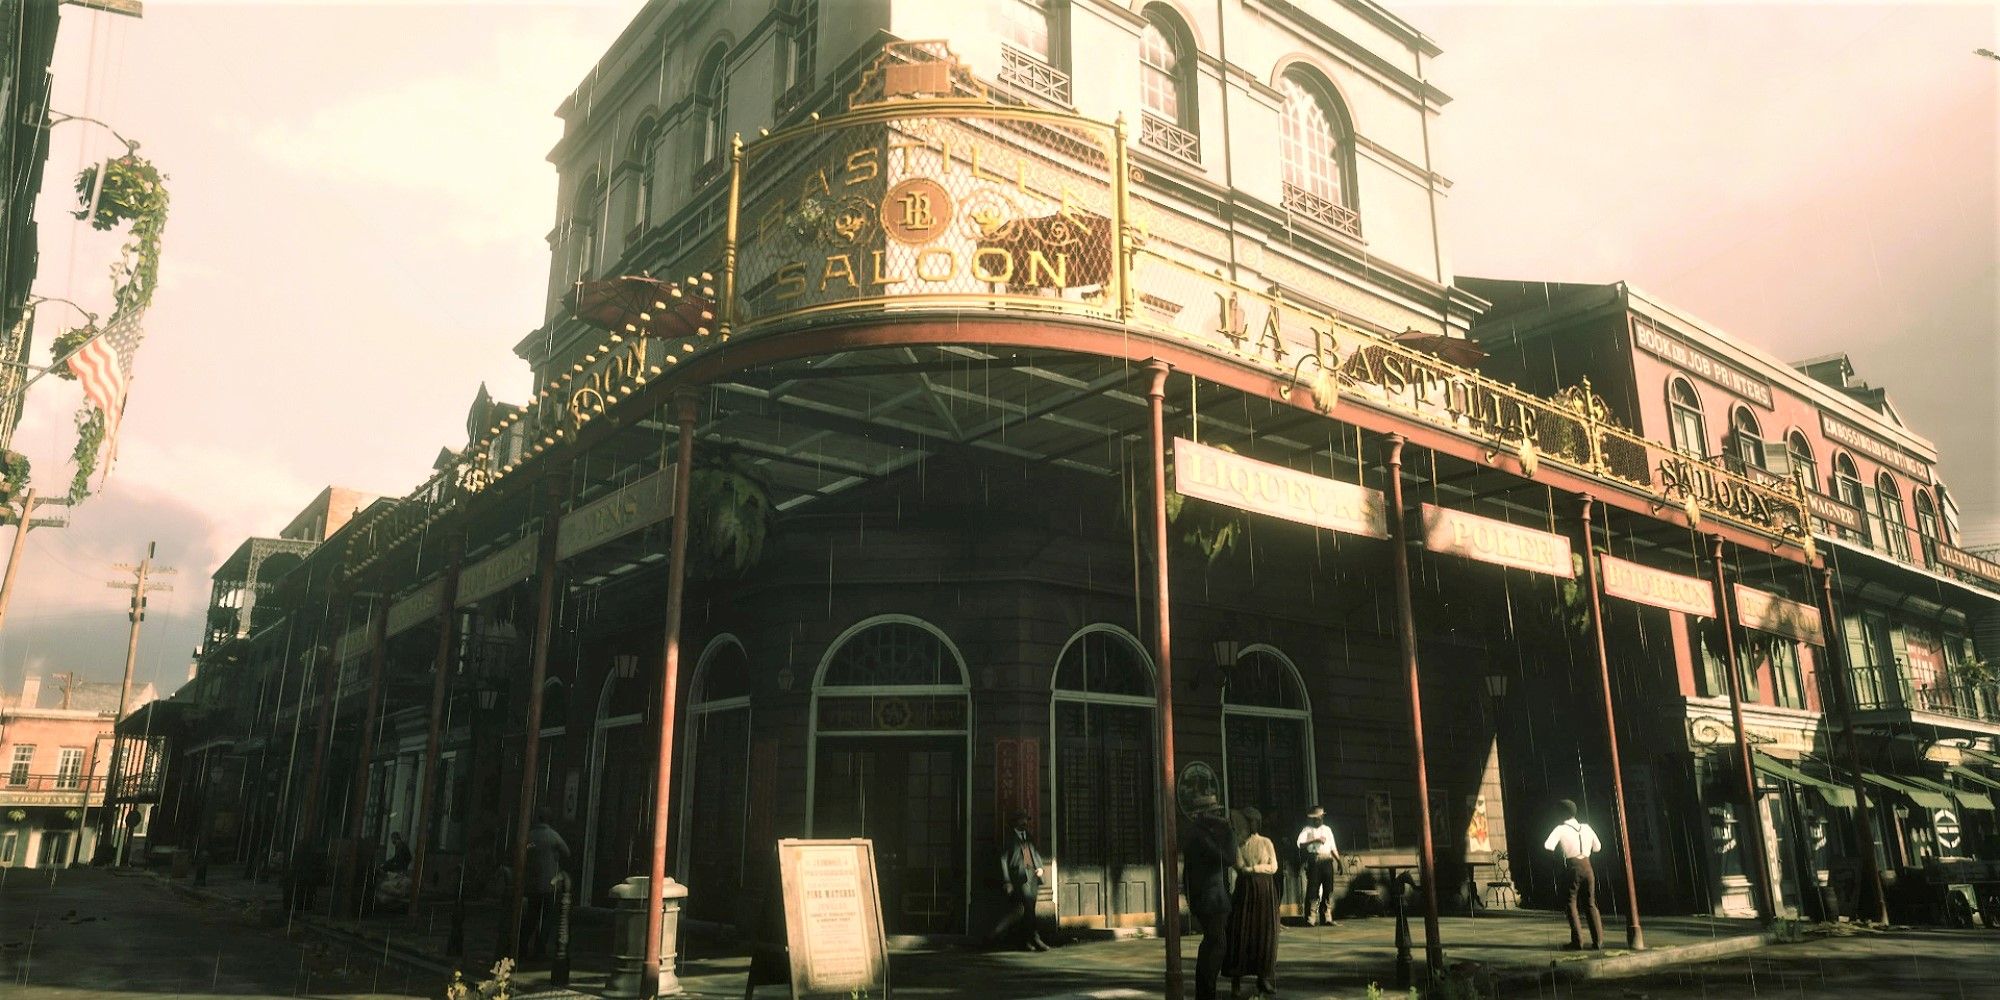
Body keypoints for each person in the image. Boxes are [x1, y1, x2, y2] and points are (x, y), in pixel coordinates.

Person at [1182, 794, 1236, 1000]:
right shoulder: (1200, 836)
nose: (1218, 815)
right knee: (1215, 946)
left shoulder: (1200, 833)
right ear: (1204, 815)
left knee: (1212, 946)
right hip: (1210, 900)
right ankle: (1206, 994)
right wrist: (1229, 828)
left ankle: (1206, 993)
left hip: (1208, 898)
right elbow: (1229, 857)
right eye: (1215, 813)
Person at [1223, 807, 1280, 997]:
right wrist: (1246, 869)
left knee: (1264, 931)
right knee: (1241, 931)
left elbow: (1273, 867)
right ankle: (1236, 981)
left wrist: (1254, 868)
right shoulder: (1238, 845)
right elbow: (1238, 866)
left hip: (1264, 891)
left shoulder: (1266, 842)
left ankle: (1264, 977)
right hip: (1245, 891)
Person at [1542, 798, 1603, 950]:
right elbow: (1598, 847)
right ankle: (1598, 941)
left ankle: (1578, 941)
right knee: (1590, 903)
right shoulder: (1587, 828)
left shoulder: (1560, 829)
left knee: (1571, 903)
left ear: (1562, 813)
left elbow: (1547, 845)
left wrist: (1563, 850)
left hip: (1572, 868)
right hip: (1588, 867)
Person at [990, 810, 1050, 951]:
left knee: (1029, 909)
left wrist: (1040, 868)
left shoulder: (1028, 837)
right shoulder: (1008, 839)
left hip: (1033, 876)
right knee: (1028, 907)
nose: (1024, 823)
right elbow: (1003, 860)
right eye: (1021, 820)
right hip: (1018, 878)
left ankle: (1025, 941)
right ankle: (1034, 938)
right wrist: (1007, 881)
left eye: (1026, 820)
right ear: (1015, 822)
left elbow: (1035, 853)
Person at [521, 811, 571, 960]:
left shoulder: (531, 836)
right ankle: (540, 948)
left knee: (531, 915)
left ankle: (522, 945)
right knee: (547, 917)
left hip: (532, 883)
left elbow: (525, 849)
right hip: (549, 883)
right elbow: (567, 852)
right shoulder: (553, 835)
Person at [1295, 806, 1342, 925]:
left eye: (1319, 818)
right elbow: (1300, 844)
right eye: (1315, 819)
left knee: (1328, 889)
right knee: (1313, 889)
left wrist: (1339, 862)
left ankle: (1327, 917)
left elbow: (1333, 847)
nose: (1317, 820)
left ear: (1322, 817)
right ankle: (1311, 917)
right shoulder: (1307, 829)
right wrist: (1314, 840)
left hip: (1327, 860)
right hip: (1314, 860)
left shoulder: (1327, 829)